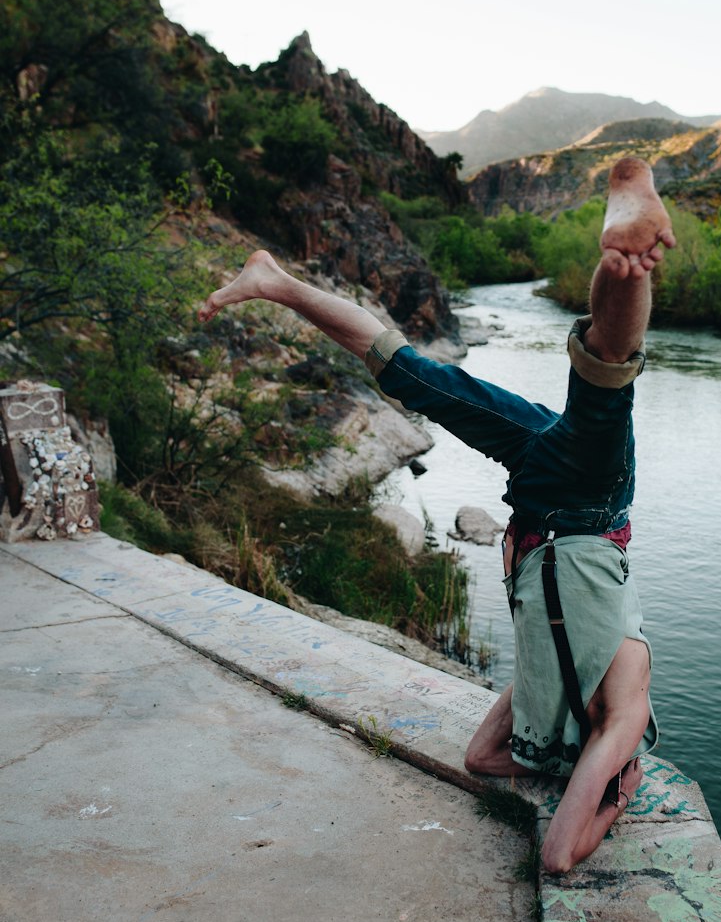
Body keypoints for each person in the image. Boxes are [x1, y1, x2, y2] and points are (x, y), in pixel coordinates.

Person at [198, 155, 675, 874]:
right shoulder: (624, 710)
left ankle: (278, 282)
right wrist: (615, 797)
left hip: (550, 489)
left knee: (411, 371)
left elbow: (485, 760)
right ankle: (624, 251)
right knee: (606, 374)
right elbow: (557, 852)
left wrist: (587, 775)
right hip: (579, 501)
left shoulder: (561, 687)